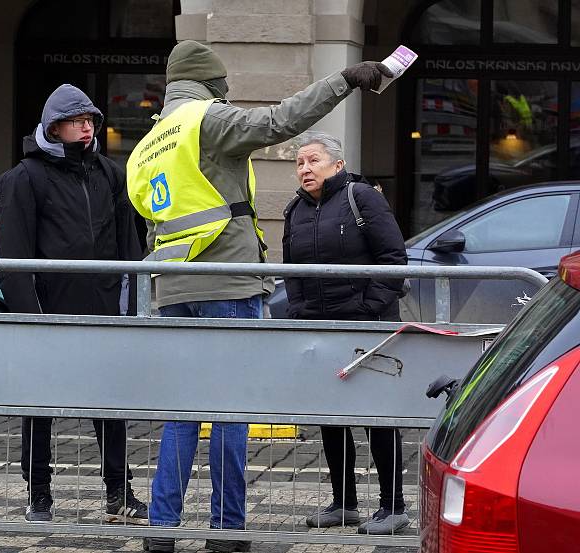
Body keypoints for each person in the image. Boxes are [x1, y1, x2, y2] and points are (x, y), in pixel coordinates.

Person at [126, 40, 393, 553]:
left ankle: (162, 530)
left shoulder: (153, 138)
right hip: (227, 282)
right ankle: (226, 531)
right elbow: (277, 123)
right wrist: (346, 80)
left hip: (172, 285)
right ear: (210, 82)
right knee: (230, 407)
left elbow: (151, 220)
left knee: (180, 411)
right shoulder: (206, 120)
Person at [0, 84, 147, 525]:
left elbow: (129, 249)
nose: (87, 125)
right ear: (53, 127)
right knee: (40, 406)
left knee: (109, 406)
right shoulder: (22, 179)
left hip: (102, 313)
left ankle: (120, 494)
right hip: (48, 315)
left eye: (92, 119)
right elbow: (14, 261)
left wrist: (133, 309)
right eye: (77, 119)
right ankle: (38, 495)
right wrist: (32, 320)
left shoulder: (109, 174)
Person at [282, 131, 409, 535]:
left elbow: (393, 258)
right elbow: (292, 273)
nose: (305, 169)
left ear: (337, 165)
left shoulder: (361, 197)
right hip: (321, 327)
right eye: (300, 162)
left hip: (368, 326)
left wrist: (368, 309)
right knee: (332, 417)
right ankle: (345, 504)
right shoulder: (294, 211)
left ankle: (394, 505)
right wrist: (301, 312)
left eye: (313, 160)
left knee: (376, 416)